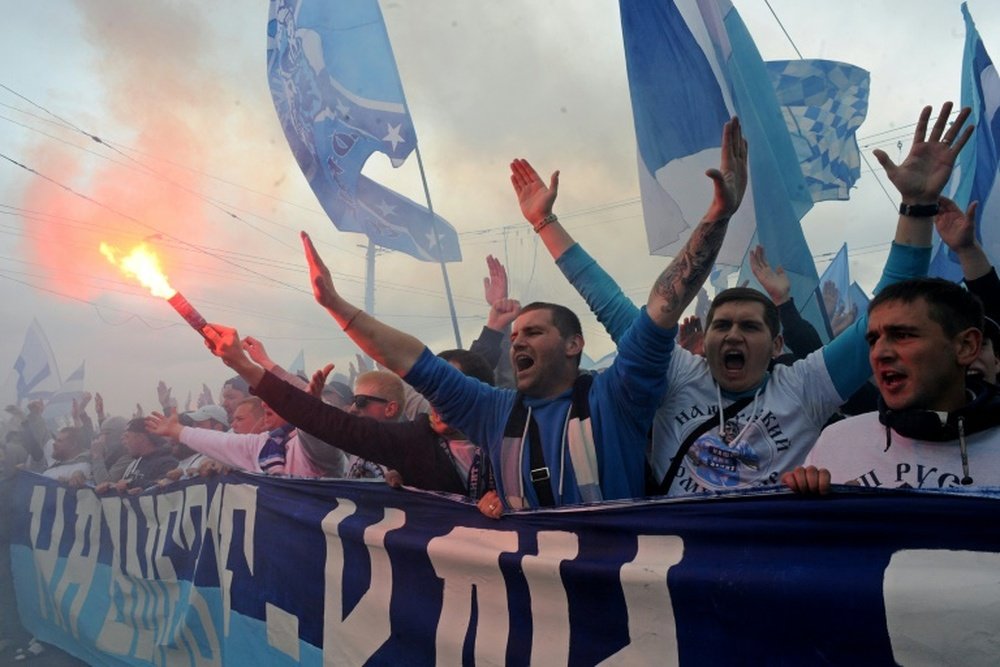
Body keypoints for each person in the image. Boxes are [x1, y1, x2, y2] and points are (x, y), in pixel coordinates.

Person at [287, 117, 747, 511]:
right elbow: (412, 360)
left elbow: (666, 301)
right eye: (515, 334)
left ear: (574, 344)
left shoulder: (619, 394)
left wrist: (718, 216)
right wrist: (337, 306)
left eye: (534, 331)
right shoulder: (492, 412)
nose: (517, 340)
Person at [520, 102, 973, 497]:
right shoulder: (678, 373)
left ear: (777, 347)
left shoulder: (804, 388)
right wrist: (545, 223)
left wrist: (916, 206)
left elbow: (889, 308)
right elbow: (609, 302)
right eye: (722, 325)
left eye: (750, 326)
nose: (731, 334)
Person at [205, 334, 497, 502]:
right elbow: (322, 418)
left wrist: (505, 505)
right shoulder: (413, 442)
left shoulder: (514, 439)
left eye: (361, 401)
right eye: (430, 389)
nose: (353, 409)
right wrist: (247, 365)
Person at [783, 277, 1000, 494]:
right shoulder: (836, 442)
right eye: (873, 340)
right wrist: (814, 513)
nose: (879, 353)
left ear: (966, 346)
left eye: (903, 335)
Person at [95, 419, 178, 494]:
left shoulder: (168, 463)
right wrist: (111, 486)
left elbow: (164, 486)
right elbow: (125, 486)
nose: (124, 442)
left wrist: (131, 484)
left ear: (140, 438)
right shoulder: (136, 462)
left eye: (127, 437)